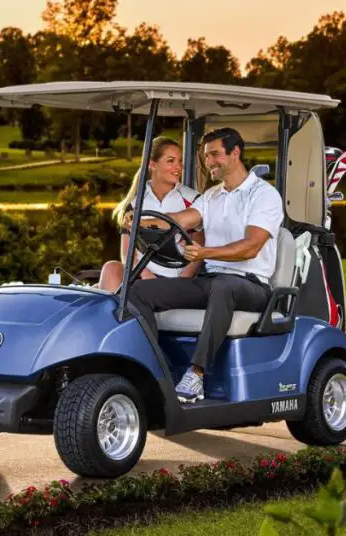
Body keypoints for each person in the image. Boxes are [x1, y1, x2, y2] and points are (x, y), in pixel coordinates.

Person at [123, 128, 284, 403]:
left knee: (223, 285)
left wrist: (206, 252)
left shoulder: (264, 195)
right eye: (206, 156)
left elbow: (251, 246)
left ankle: (196, 374)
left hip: (253, 285)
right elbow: (178, 219)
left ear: (235, 153)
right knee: (138, 292)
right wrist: (140, 221)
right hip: (213, 281)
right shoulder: (211, 196)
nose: (209, 162)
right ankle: (154, 371)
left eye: (215, 155)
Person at [96, 136, 205, 292]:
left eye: (180, 161)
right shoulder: (134, 204)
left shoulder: (193, 200)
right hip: (143, 275)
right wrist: (147, 277)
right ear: (152, 164)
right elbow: (127, 254)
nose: (178, 167)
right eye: (170, 161)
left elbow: (198, 250)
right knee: (111, 268)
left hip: (178, 278)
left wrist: (182, 282)